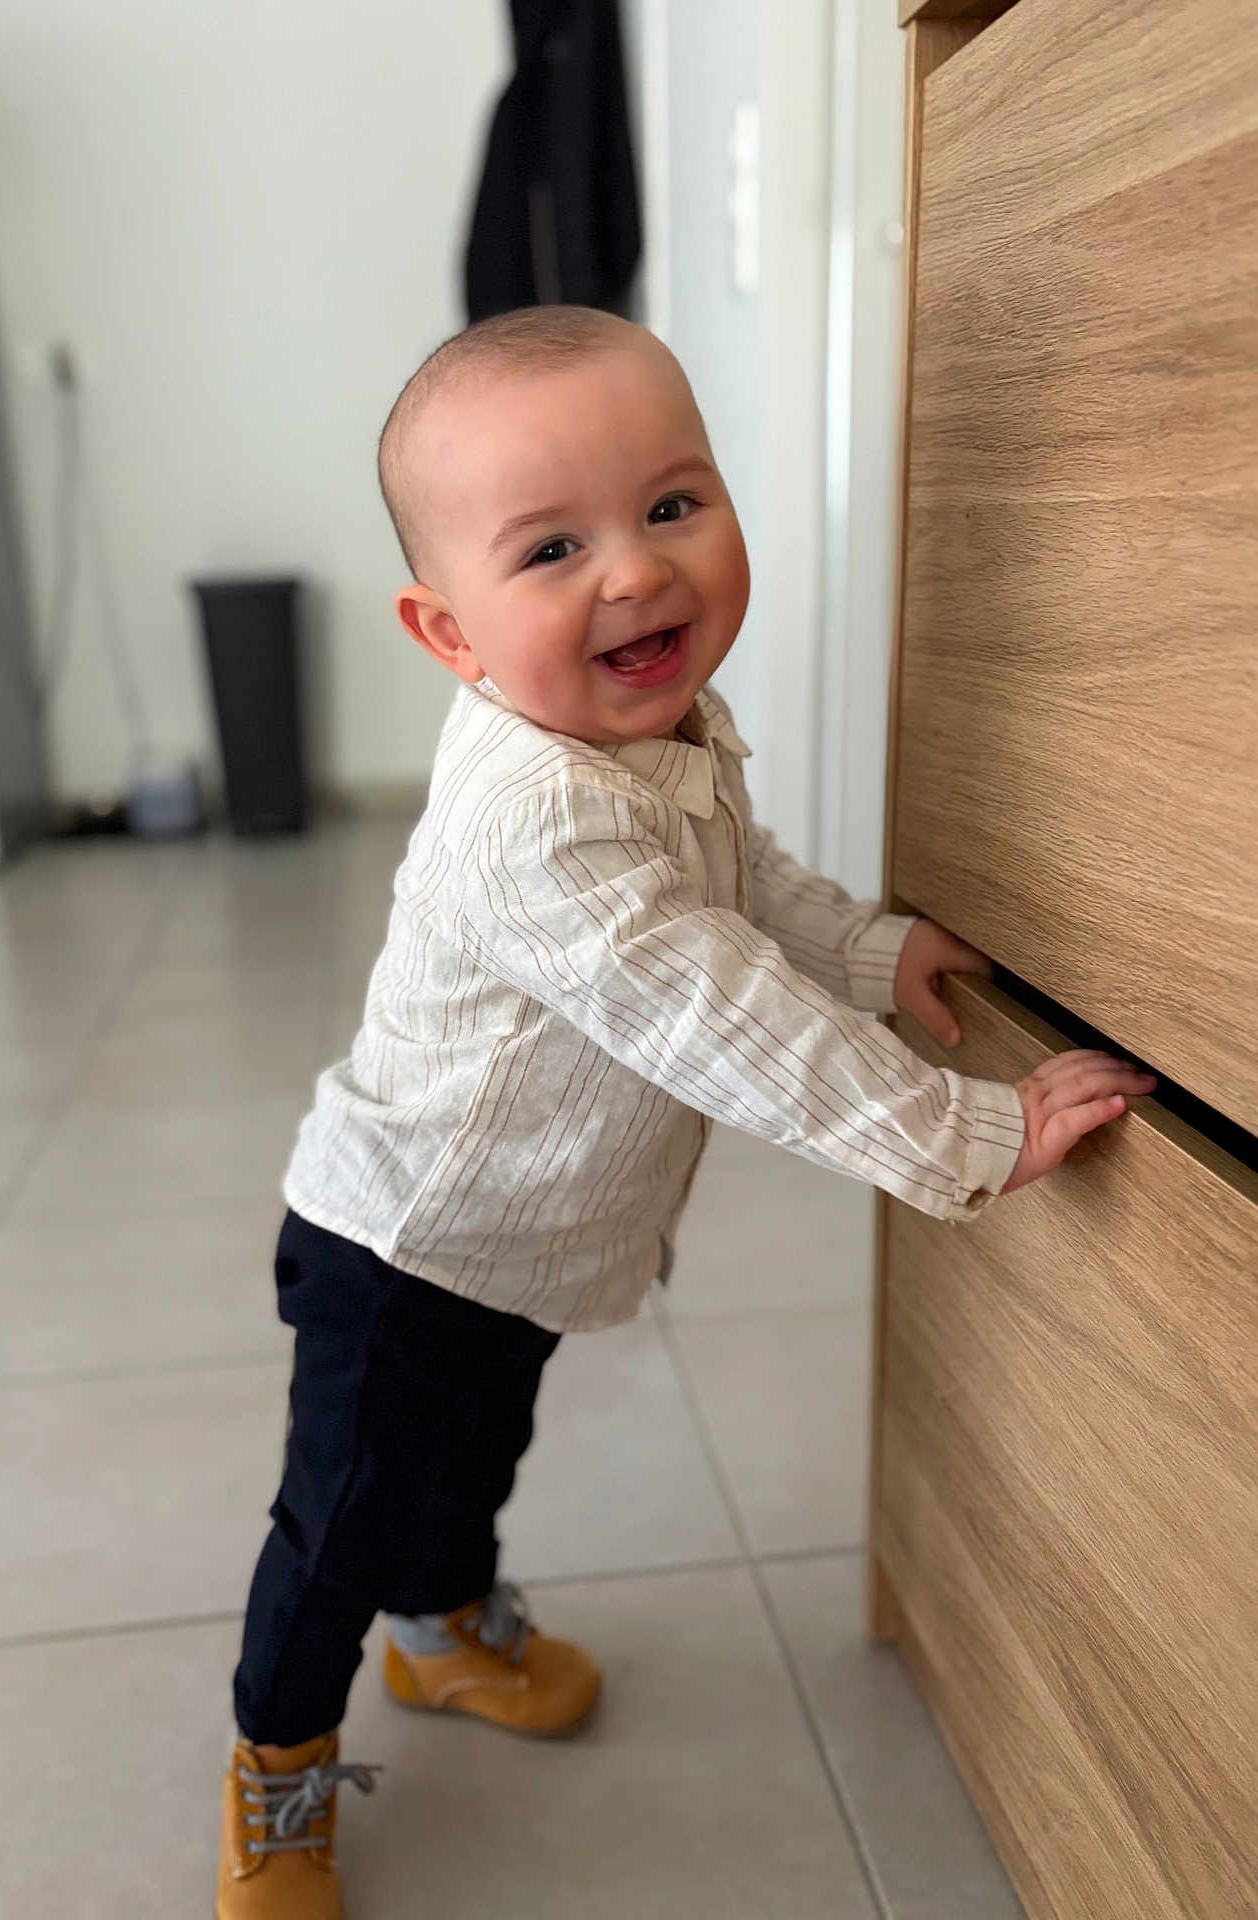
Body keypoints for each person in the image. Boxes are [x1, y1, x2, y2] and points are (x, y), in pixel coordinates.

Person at [215, 305, 1154, 1918]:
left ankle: (441, 1635)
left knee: (474, 1458)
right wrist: (973, 1134)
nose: (637, 573)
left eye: (671, 505)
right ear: (448, 633)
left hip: (521, 1243)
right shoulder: (540, 821)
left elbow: (742, 888)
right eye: (553, 547)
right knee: (343, 1517)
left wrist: (874, 949)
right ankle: (280, 1763)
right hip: (404, 1240)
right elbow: (723, 1018)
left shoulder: (659, 727)